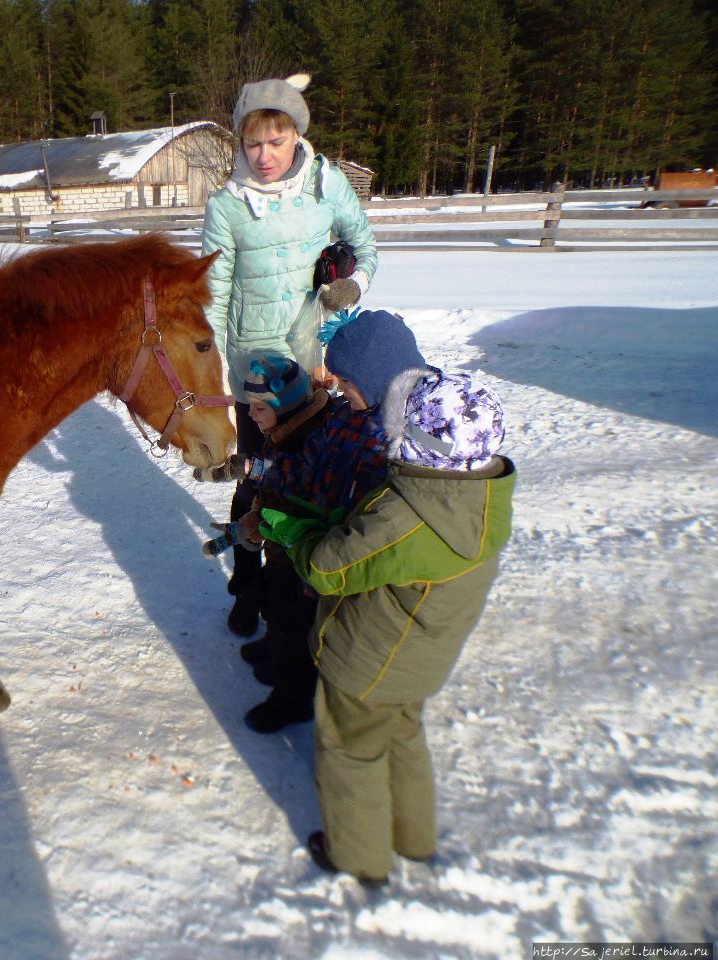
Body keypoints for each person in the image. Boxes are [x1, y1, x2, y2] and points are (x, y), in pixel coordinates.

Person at [260, 309, 516, 886]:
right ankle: (414, 836)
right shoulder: (477, 503)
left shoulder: (406, 516)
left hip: (370, 661)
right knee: (403, 734)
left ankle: (360, 856)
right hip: (423, 659)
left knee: (351, 749)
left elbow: (330, 567)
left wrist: (291, 531)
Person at [201, 73, 378, 639]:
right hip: (254, 366)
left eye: (276, 142)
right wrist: (214, 372)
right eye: (253, 144)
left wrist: (353, 284)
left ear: (296, 135)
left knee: (309, 483)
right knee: (255, 481)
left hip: (315, 361)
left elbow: (364, 246)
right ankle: (247, 585)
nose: (265, 155)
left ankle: (294, 591)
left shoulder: (327, 185)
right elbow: (213, 292)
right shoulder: (227, 206)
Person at [221, 355, 387, 733]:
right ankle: (274, 648)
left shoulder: (337, 433)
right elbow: (301, 473)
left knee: (294, 623)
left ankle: (292, 698)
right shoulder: (316, 424)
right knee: (276, 602)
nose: (250, 414)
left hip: (310, 542)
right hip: (286, 541)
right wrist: (250, 470)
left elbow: (317, 484)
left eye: (259, 407)